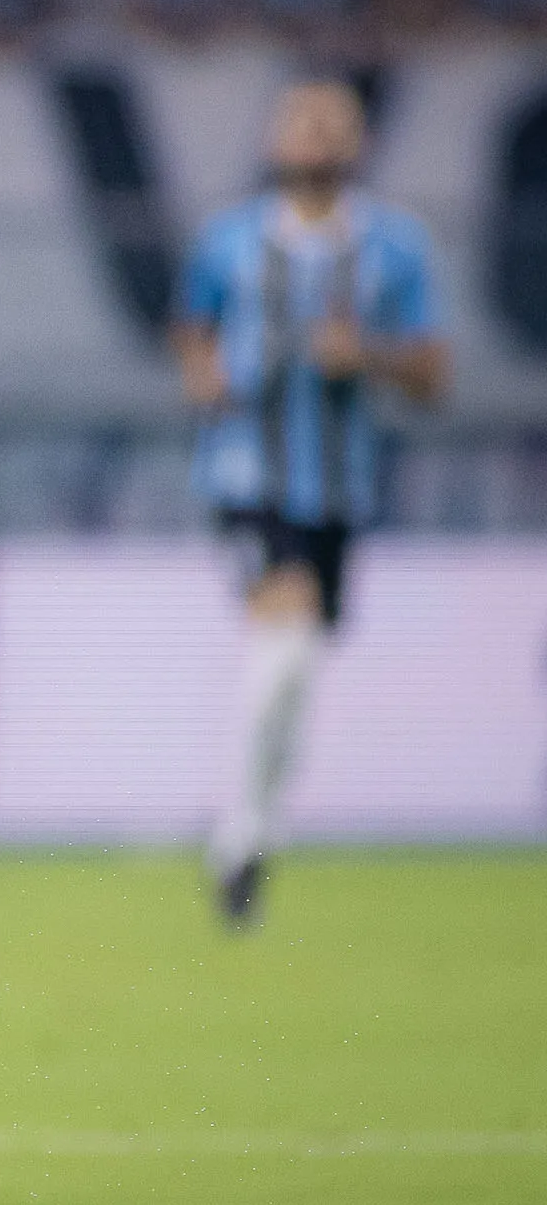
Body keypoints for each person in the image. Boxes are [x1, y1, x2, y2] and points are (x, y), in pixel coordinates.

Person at [171, 79, 448, 926]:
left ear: (356, 142)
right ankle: (243, 834)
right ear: (276, 139)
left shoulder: (396, 247)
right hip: (249, 479)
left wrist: (365, 355)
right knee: (284, 651)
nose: (316, 137)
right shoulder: (230, 240)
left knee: (295, 671)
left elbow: (434, 375)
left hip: (341, 487)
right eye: (302, 121)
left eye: (333, 123)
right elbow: (194, 332)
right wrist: (206, 377)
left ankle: (252, 830)